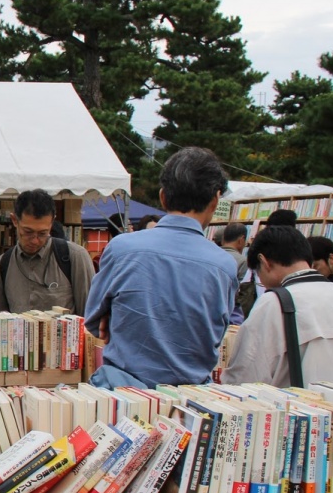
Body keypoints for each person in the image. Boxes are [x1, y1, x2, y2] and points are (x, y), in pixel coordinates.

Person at [84, 146, 238, 388]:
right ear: (215, 200)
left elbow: (93, 322)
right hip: (191, 401)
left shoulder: (122, 249)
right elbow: (214, 335)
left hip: (122, 393)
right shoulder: (224, 265)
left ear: (163, 196)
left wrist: (120, 322)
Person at [225, 226, 333, 391]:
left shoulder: (274, 303)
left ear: (264, 262)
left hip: (294, 413)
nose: (262, 283)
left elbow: (243, 378)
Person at [0, 189, 95, 315]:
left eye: (42, 233)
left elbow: (90, 317)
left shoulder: (75, 257)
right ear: (14, 220)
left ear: (52, 222)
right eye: (28, 232)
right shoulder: (1, 265)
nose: (35, 240)